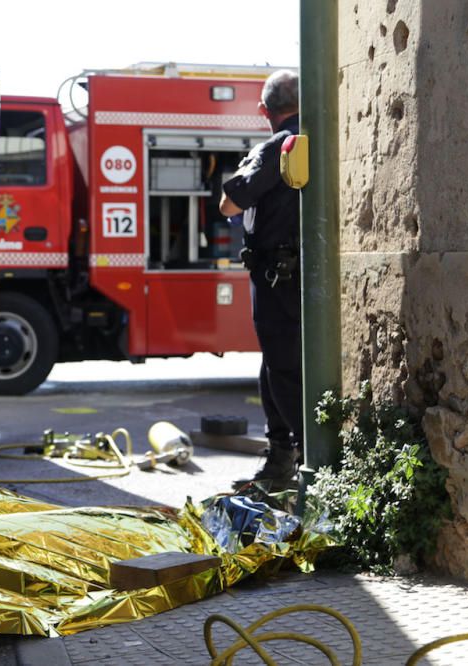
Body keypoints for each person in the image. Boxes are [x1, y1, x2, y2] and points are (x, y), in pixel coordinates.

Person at [219, 69, 302, 485]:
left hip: (277, 277)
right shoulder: (322, 138)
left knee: (281, 367)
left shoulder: (277, 146)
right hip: (302, 275)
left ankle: (299, 460)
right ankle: (284, 458)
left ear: (264, 110)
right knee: (280, 365)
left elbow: (230, 204)